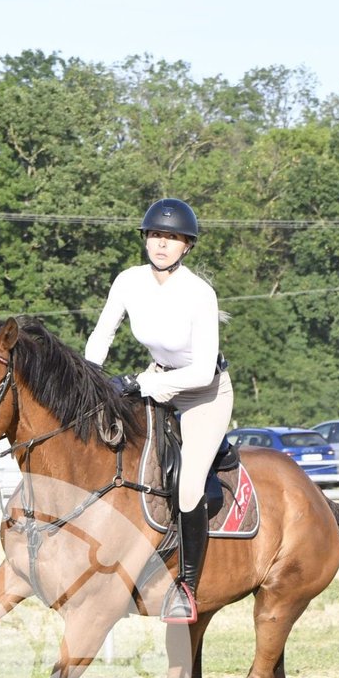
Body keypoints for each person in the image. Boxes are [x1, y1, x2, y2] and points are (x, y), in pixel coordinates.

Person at [84, 198, 233, 624]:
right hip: (156, 381)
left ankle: (186, 587)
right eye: (154, 235)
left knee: (187, 485)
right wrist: (88, 381)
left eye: (171, 237)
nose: (161, 244)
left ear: (187, 246)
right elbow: (102, 336)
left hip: (204, 392)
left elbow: (201, 370)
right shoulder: (128, 281)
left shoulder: (199, 293)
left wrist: (141, 384)